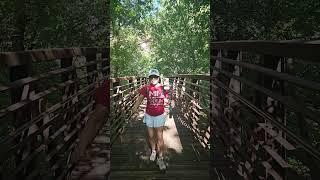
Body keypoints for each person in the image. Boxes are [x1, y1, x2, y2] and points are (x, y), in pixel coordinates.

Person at [132, 69, 169, 170]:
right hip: (149, 115)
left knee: (160, 137)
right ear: (148, 78)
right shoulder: (146, 88)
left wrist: (170, 104)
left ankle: (160, 158)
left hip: (160, 115)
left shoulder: (163, 88)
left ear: (158, 78)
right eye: (151, 77)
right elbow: (140, 98)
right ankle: (153, 151)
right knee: (151, 135)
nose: (153, 79)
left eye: (155, 77)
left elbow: (168, 98)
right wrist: (135, 107)